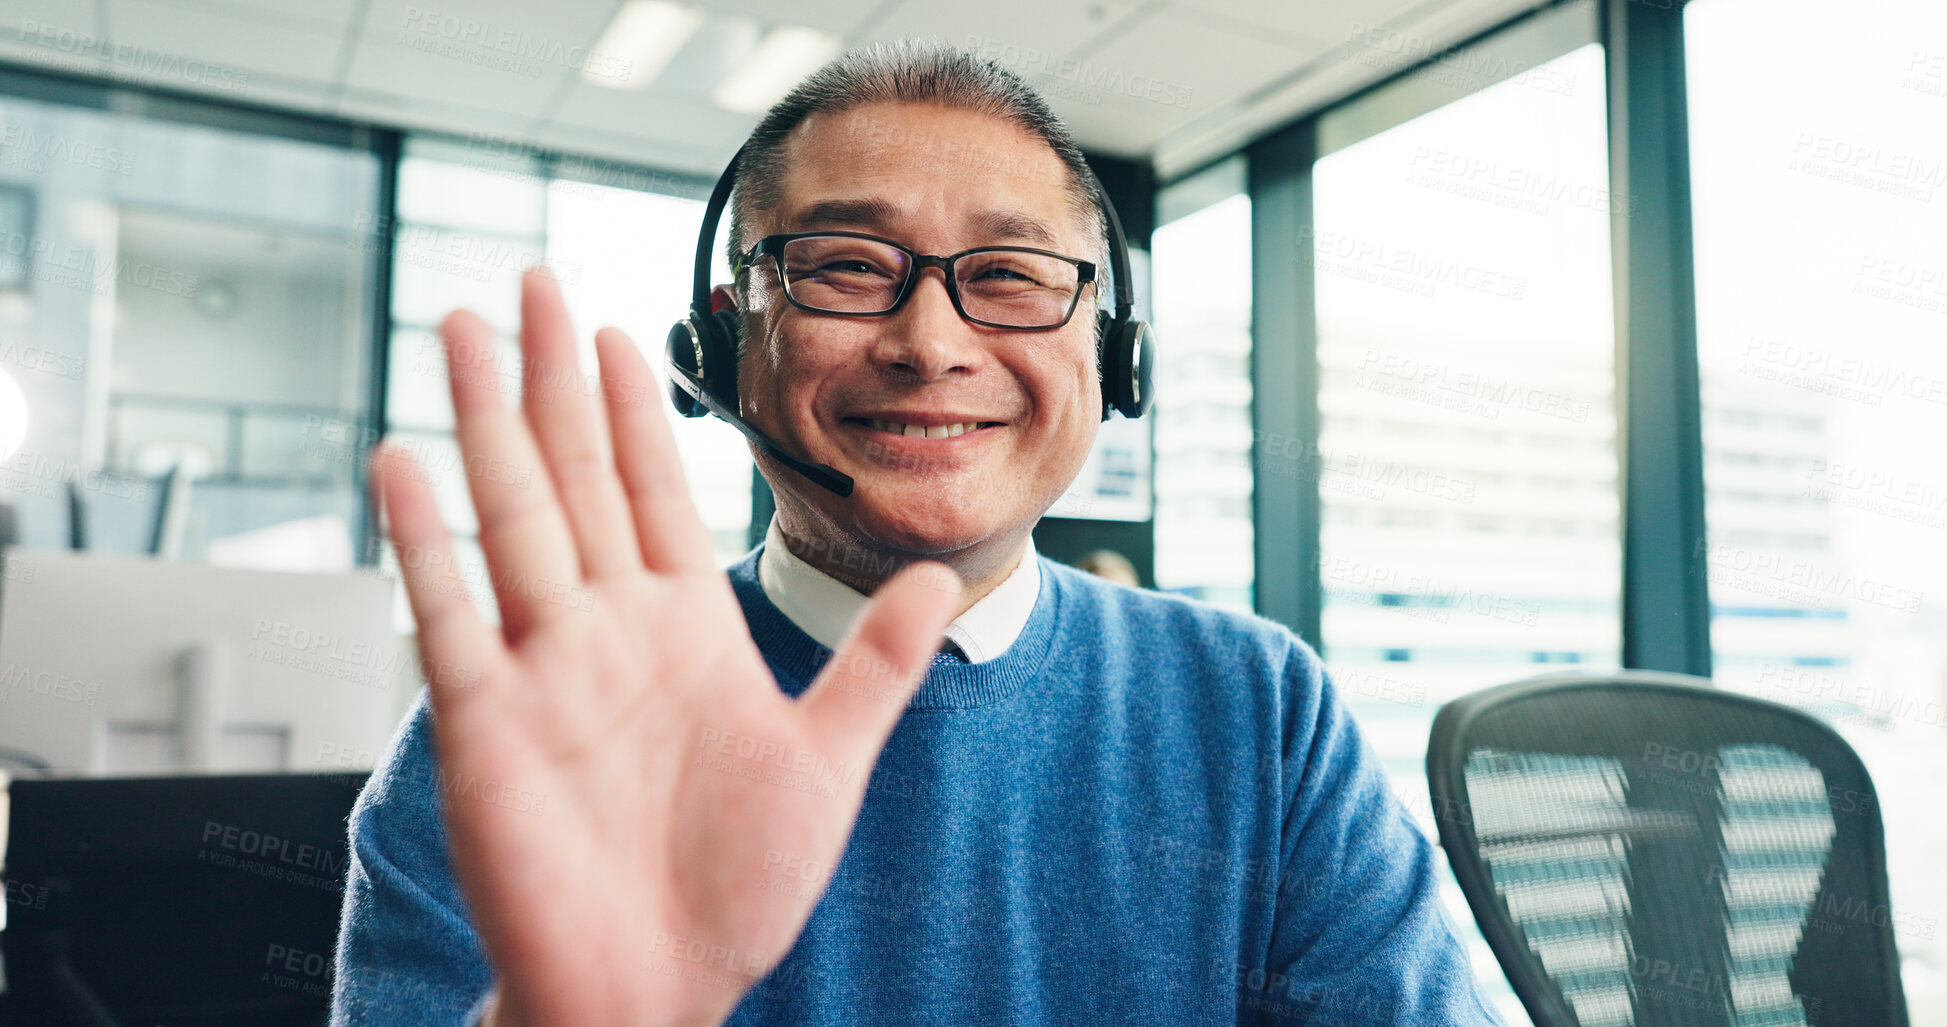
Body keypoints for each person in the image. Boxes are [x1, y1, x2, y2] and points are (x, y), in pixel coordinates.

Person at [330, 40, 1498, 1026]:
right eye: (846, 266)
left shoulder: (1260, 709)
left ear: (1111, 354)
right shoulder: (541, 727)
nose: (932, 342)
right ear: (726, 348)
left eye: (1010, 274)